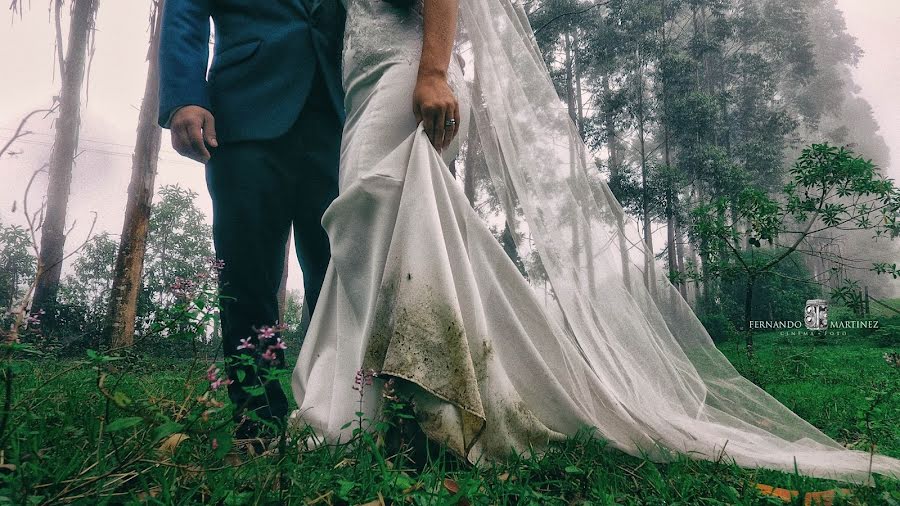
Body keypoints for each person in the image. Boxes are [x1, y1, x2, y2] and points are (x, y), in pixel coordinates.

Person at [290, 0, 900, 485]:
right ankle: (396, 405)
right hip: (362, 84)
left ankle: (424, 401)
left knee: (375, 210)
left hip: (405, 75)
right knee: (381, 231)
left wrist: (431, 73)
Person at [158, 0, 346, 439]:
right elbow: (184, 11)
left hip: (338, 114)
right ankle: (258, 416)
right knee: (246, 270)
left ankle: (334, 411)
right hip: (245, 111)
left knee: (339, 269)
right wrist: (184, 96)